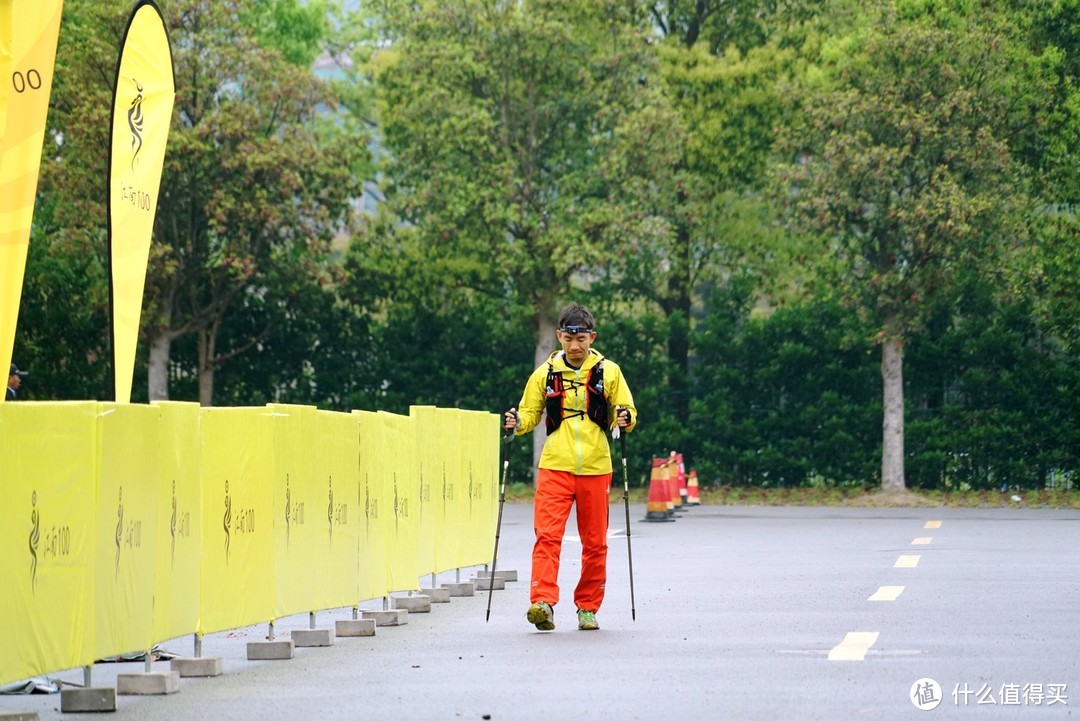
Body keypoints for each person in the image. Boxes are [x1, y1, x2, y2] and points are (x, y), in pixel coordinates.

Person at [503, 303, 637, 632]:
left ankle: (588, 608)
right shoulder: (545, 373)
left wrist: (626, 418)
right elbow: (529, 414)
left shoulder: (610, 372)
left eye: (582, 339)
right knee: (547, 536)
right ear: (559, 336)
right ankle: (542, 603)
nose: (575, 347)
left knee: (595, 543)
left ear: (592, 337)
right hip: (555, 466)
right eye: (568, 338)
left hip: (596, 465)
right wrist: (516, 422)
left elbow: (628, 410)